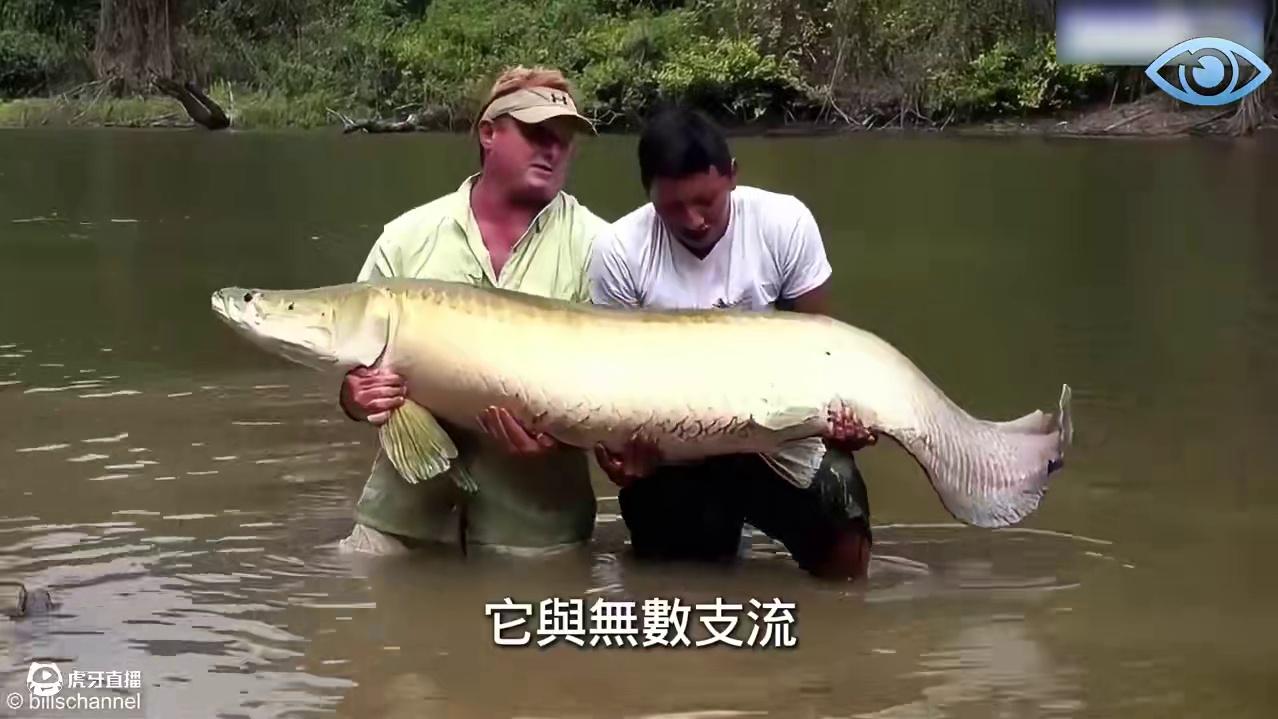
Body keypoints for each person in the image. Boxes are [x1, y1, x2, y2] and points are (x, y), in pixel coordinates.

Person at [587, 106, 877, 581]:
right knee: (682, 586)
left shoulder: (783, 222)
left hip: (774, 432)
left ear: (732, 176)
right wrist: (621, 458)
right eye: (673, 207)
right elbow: (617, 381)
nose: (693, 219)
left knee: (839, 507)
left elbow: (827, 346)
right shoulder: (619, 249)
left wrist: (847, 417)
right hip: (677, 450)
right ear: (649, 195)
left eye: (706, 200)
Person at [337, 65, 614, 557]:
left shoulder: (602, 247)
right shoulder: (407, 238)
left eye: (564, 137)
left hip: (534, 528)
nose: (552, 148)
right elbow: (354, 373)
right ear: (489, 133)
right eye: (535, 133)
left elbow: (621, 388)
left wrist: (565, 438)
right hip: (402, 520)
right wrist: (356, 398)